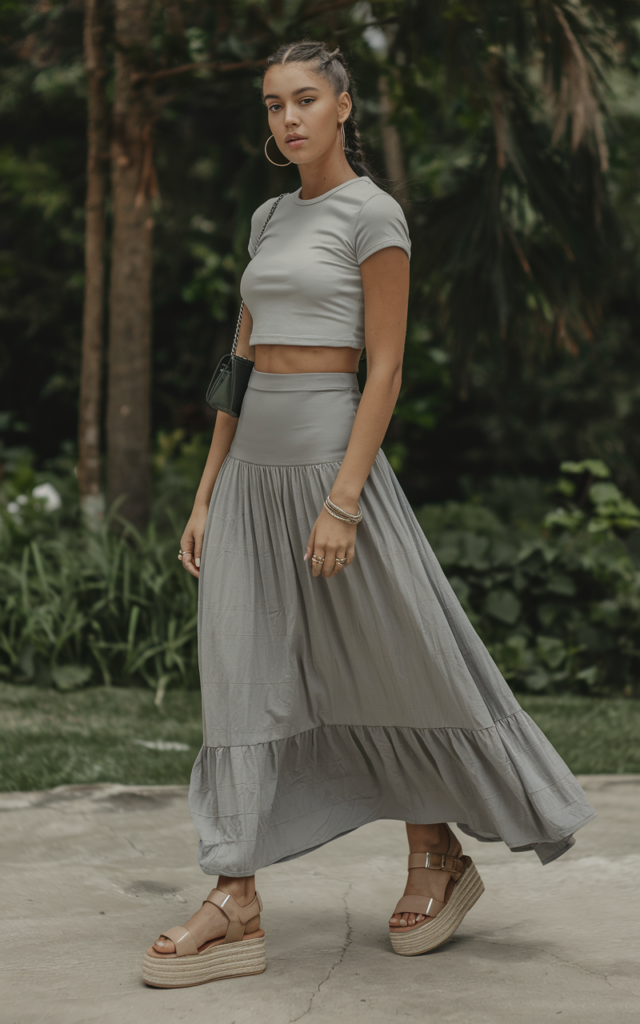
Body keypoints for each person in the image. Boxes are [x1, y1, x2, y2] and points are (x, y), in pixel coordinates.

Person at [142, 40, 596, 987]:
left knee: (390, 656)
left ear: (345, 105)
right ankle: (236, 893)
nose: (289, 118)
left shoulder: (373, 214)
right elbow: (239, 358)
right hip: (251, 473)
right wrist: (206, 488)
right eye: (273, 105)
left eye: (306, 99)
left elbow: (383, 367)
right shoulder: (270, 216)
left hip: (328, 468)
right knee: (239, 669)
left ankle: (436, 852)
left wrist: (344, 501)